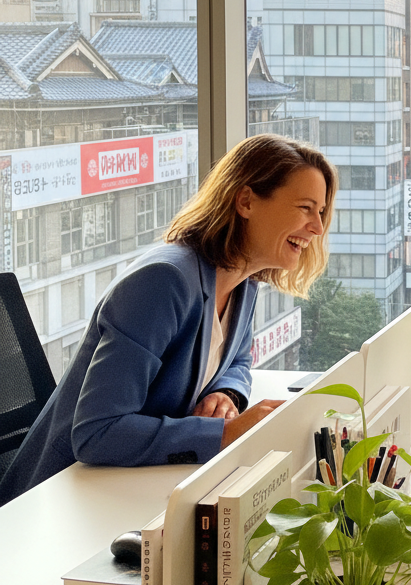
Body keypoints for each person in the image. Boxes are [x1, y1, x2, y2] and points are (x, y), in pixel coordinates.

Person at [0, 135, 336, 506]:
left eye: (320, 212)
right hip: (59, 503)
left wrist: (225, 393)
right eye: (306, 208)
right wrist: (224, 433)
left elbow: (237, 359)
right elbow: (97, 432)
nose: (317, 228)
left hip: (133, 488)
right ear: (246, 201)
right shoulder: (163, 283)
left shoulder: (245, 281)